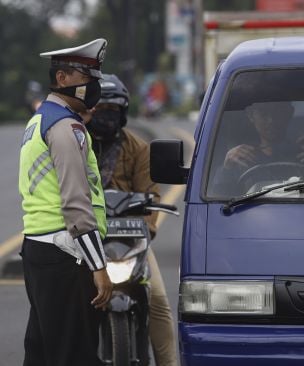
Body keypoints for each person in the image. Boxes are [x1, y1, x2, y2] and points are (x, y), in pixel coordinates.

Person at [18, 39, 111, 366]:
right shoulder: (65, 127)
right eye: (88, 76)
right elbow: (76, 203)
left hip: (38, 249)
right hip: (66, 252)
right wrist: (99, 266)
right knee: (76, 353)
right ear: (62, 79)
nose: (95, 84)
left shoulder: (39, 121)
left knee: (43, 351)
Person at [87, 74, 179, 366]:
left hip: (129, 238)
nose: (105, 116)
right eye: (100, 109)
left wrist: (147, 228)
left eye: (112, 111)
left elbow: (151, 194)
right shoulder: (77, 143)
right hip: (86, 239)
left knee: (159, 303)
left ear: (123, 114)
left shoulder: (139, 148)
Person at [218, 101, 304, 194]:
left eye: (278, 113)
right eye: (263, 113)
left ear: (289, 113)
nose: (271, 120)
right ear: (251, 116)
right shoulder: (239, 157)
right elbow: (219, 199)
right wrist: (227, 169)